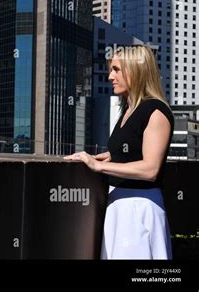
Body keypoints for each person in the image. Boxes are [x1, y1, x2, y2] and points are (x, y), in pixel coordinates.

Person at [64, 45, 174, 259]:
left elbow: (150, 168)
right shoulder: (128, 110)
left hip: (138, 209)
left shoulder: (156, 111)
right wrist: (111, 156)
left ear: (135, 70)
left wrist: (100, 165)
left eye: (116, 69)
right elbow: (132, 151)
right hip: (120, 207)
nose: (110, 76)